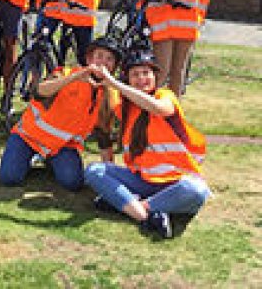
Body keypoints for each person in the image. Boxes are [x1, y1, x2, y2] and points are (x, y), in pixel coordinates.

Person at [84, 51, 210, 239]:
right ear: (127, 78)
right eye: (135, 74)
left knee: (197, 192)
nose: (142, 78)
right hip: (142, 181)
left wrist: (115, 84)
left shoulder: (165, 96)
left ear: (155, 77)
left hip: (176, 183)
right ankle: (146, 216)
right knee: (94, 171)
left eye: (146, 73)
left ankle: (128, 205)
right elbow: (102, 121)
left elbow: (158, 109)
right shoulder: (125, 107)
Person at [0, 37, 122, 191]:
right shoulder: (65, 73)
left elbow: (104, 136)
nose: (104, 62)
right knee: (9, 178)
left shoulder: (110, 95)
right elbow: (38, 91)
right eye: (100, 56)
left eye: (110, 59)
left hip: (62, 146)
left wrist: (109, 176)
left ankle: (49, 159)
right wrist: (73, 78)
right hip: (28, 137)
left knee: (73, 183)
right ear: (89, 58)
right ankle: (29, 157)